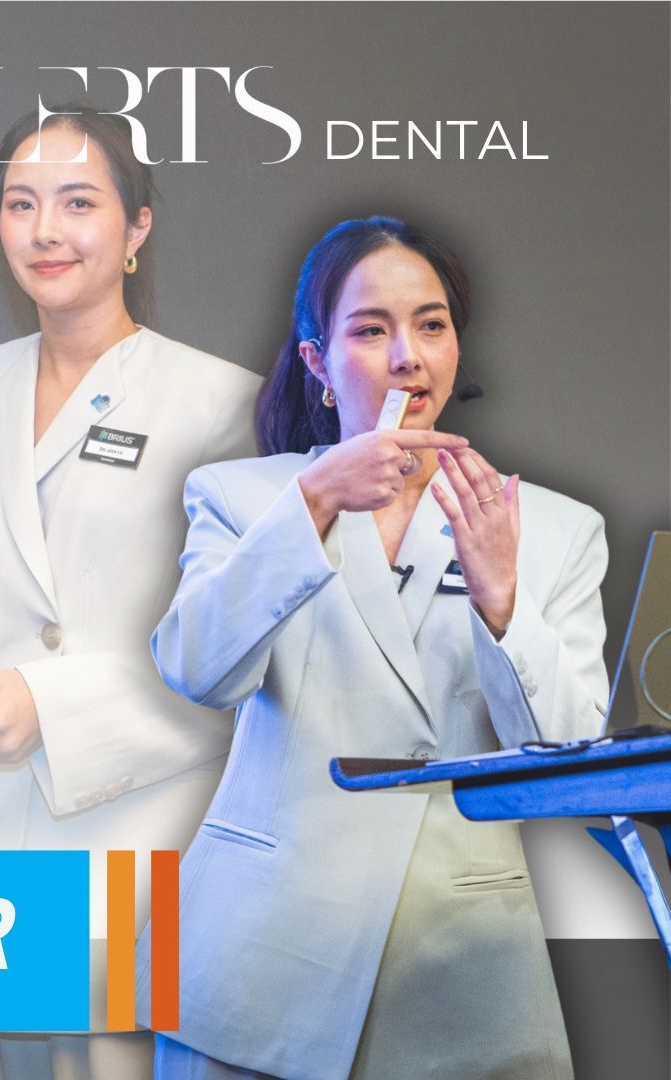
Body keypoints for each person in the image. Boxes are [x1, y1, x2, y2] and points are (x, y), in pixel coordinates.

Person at [143, 216, 609, 1079]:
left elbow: (570, 767)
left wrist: (504, 604)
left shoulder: (551, 526)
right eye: (370, 330)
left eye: (432, 325)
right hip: (261, 959)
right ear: (317, 363)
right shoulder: (245, 499)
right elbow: (197, 671)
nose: (409, 356)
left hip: (461, 964)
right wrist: (313, 500)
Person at [0, 108, 263, 1080]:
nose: (46, 230)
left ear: (137, 230)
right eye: (21, 203)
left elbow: (244, 656)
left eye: (79, 203)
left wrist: (55, 706)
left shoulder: (225, 406)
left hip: (140, 827)